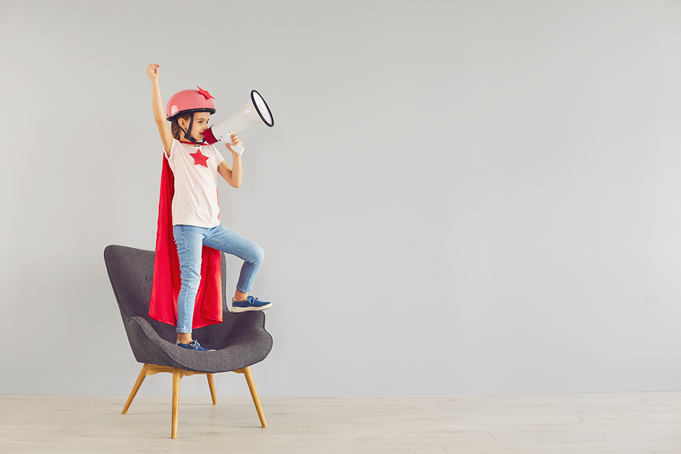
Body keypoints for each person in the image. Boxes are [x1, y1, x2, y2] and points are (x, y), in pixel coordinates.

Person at [146, 63, 271, 352]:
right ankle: (184, 339)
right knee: (192, 281)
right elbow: (158, 120)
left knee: (256, 254)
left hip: (212, 227)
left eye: (206, 121)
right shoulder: (175, 150)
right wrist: (155, 82)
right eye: (201, 121)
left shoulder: (210, 151)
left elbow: (234, 181)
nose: (207, 127)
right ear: (183, 122)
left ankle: (240, 298)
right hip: (188, 226)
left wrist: (237, 155)